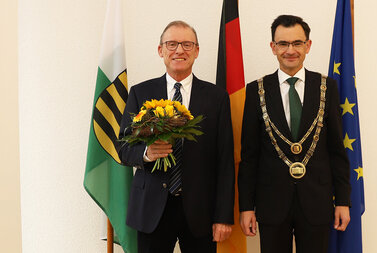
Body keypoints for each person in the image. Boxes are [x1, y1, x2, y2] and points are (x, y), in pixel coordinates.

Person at [118, 21, 235, 253]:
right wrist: (146, 153)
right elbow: (122, 148)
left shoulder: (217, 97)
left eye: (187, 44)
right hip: (151, 209)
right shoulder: (140, 93)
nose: (179, 50)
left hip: (201, 210)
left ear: (197, 51)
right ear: (161, 50)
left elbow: (225, 161)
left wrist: (223, 216)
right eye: (172, 44)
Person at [238, 15, 351, 253]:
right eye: (283, 44)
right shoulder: (256, 90)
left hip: (317, 201)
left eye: (297, 43)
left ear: (308, 45)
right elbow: (249, 155)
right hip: (271, 204)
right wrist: (246, 207)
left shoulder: (326, 87)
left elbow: (336, 151)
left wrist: (342, 200)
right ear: (273, 47)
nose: (290, 50)